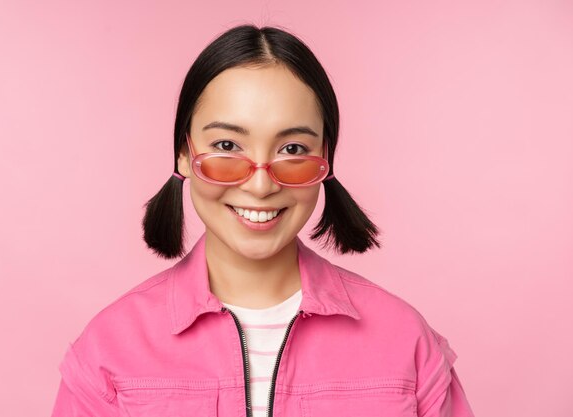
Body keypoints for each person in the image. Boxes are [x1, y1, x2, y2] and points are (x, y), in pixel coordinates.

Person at [51, 25, 474, 417]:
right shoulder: (108, 349)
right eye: (227, 145)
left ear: (325, 159)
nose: (259, 184)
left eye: (291, 149)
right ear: (183, 152)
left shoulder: (406, 343)